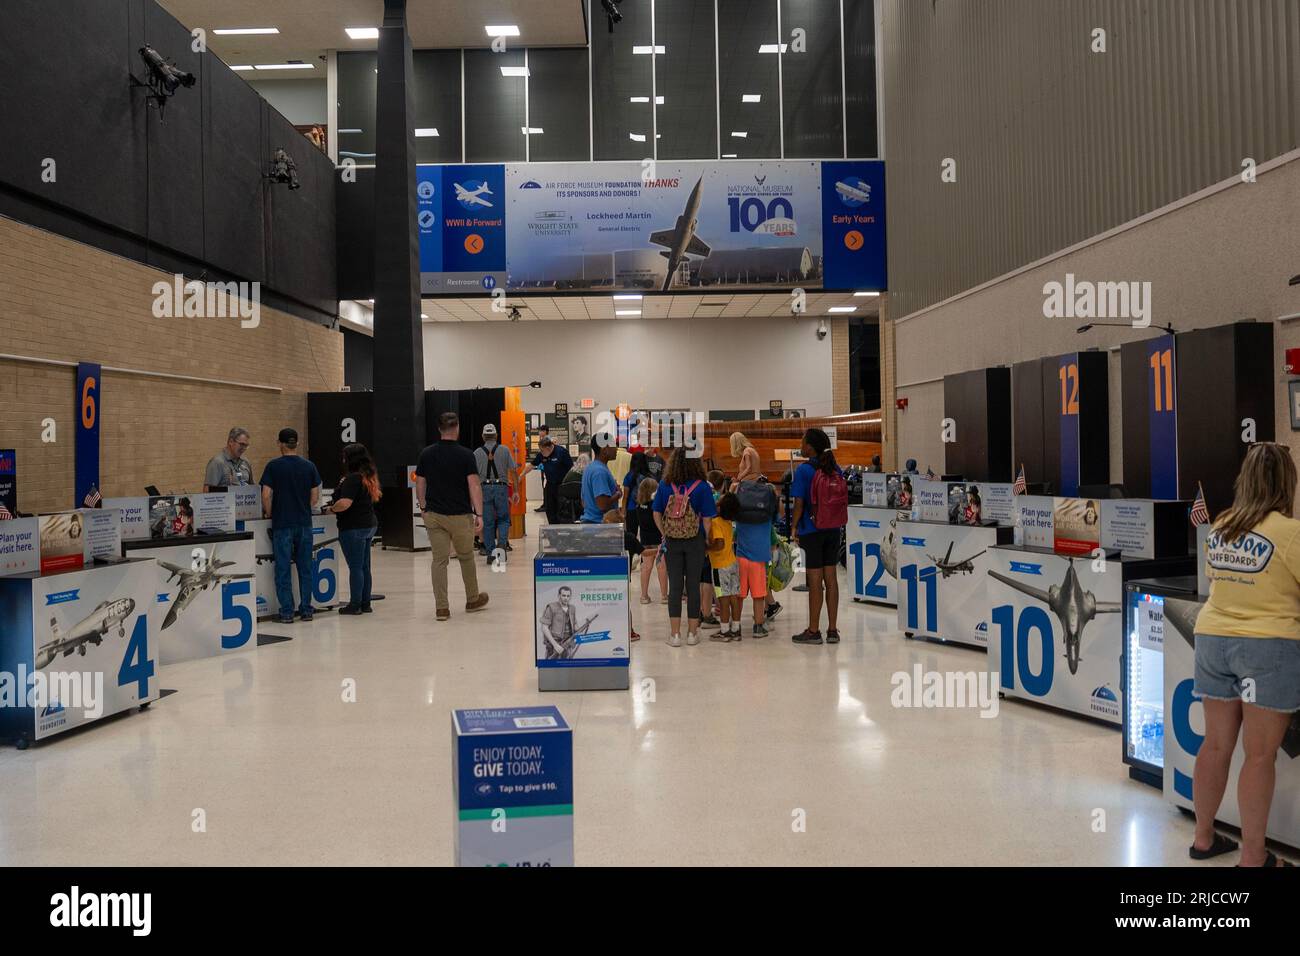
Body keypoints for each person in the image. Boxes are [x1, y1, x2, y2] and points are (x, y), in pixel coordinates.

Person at [1190, 443, 1300, 867]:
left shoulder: (1221, 525)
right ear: (1287, 482)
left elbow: (1217, 580)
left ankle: (1203, 840)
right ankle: (1254, 857)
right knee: (1259, 755)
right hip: (1266, 648)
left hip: (1212, 639)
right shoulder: (1289, 533)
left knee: (1215, 745)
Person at [416, 412, 490, 622]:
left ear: (439, 429)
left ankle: (442, 608)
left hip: (435, 515)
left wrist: (423, 507)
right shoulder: (467, 455)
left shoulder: (426, 454)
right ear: (457, 428)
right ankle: (472, 599)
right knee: (466, 557)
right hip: (460, 516)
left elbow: (420, 483)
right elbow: (474, 485)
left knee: (439, 561)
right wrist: (479, 513)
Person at [652, 446, 718, 647]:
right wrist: (707, 540)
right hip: (695, 541)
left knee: (675, 587)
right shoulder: (703, 487)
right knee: (693, 586)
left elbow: (656, 513)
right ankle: (691, 633)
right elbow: (707, 519)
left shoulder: (665, 485)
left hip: (672, 541)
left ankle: (674, 635)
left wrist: (665, 533)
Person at [790, 427, 848, 646]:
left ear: (810, 447)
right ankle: (832, 630)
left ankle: (813, 631)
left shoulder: (804, 470)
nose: (800, 446)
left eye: (802, 442)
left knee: (815, 582)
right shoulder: (835, 468)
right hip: (833, 529)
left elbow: (798, 503)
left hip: (811, 530)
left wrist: (794, 527)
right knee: (831, 579)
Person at [259, 427, 322, 625]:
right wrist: (302, 507)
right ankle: (306, 610)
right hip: (304, 523)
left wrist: (270, 512)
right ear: (296, 443)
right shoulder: (309, 466)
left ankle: (287, 612)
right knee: (305, 568)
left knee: (283, 568)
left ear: (280, 443)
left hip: (282, 524)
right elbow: (315, 497)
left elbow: (266, 495)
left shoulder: (273, 466)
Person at [331, 442, 380, 615]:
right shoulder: (368, 476)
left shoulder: (353, 478)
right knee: (364, 566)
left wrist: (331, 509)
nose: (342, 459)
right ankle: (365, 603)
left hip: (353, 527)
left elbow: (345, 503)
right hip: (369, 524)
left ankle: (355, 604)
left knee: (355, 567)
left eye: (344, 456)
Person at [735, 478, 778, 638]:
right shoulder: (767, 519)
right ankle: (758, 627)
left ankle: (736, 625)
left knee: (739, 595)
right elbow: (776, 517)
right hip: (759, 560)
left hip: (741, 558)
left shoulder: (741, 517)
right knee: (759, 595)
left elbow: (734, 535)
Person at [474, 424, 517, 564]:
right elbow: (514, 470)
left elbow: (473, 477)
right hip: (501, 488)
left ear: (483, 436)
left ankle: (491, 554)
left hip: (484, 489)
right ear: (496, 436)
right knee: (503, 519)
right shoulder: (504, 450)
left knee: (488, 522)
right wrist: (516, 491)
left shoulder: (476, 453)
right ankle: (502, 547)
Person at [709, 493, 741, 641]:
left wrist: (707, 547)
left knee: (723, 599)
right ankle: (736, 628)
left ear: (720, 508)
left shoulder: (715, 522)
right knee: (734, 597)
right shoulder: (729, 523)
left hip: (719, 567)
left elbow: (719, 543)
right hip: (733, 564)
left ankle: (724, 630)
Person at [520, 437, 574, 525]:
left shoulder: (562, 452)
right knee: (550, 509)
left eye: (542, 450)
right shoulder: (542, 454)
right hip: (550, 485)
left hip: (562, 486)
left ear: (548, 448)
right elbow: (531, 465)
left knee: (562, 509)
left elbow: (571, 469)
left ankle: (563, 530)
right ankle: (552, 529)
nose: (541, 452)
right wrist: (521, 476)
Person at [633, 477, 669, 605]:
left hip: (645, 541)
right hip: (659, 540)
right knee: (661, 567)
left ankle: (644, 596)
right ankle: (664, 596)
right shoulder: (656, 506)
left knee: (646, 567)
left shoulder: (638, 506)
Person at [580, 433, 622, 523]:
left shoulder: (590, 468)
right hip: (599, 525)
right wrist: (618, 494)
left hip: (591, 523)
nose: (616, 449)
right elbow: (602, 505)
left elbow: (584, 502)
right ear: (604, 449)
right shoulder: (599, 472)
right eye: (614, 445)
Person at [532, 425, 551, 512]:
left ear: (545, 431)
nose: (539, 432)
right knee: (544, 486)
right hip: (543, 466)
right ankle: (545, 504)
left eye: (540, 431)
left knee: (546, 486)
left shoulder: (548, 441)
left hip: (547, 467)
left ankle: (546, 505)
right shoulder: (543, 440)